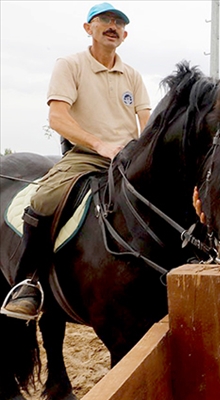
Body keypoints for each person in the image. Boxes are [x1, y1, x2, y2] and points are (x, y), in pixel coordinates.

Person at [1, 2, 150, 320]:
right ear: (88, 28)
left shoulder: (133, 75)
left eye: (119, 23)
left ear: (125, 35)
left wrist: (140, 151)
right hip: (85, 156)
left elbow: (146, 122)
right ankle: (29, 283)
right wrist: (99, 144)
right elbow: (57, 117)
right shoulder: (70, 65)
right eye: (104, 20)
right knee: (44, 198)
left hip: (126, 159)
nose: (113, 26)